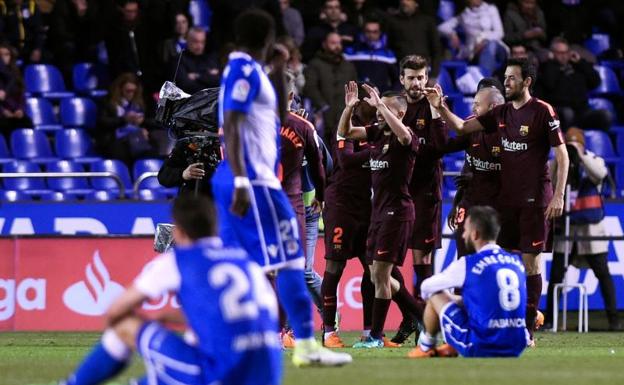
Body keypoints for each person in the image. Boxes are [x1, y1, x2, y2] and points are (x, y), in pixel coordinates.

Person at [211, 9, 351, 367]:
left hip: (250, 178)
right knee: (289, 260)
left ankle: (227, 342)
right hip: (253, 180)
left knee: (248, 264)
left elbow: (274, 110)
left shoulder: (251, 70)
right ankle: (303, 346)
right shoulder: (241, 70)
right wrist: (243, 180)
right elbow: (232, 121)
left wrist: (277, 69)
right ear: (267, 37)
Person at [60, 195, 283, 385]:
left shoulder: (180, 259)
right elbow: (253, 316)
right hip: (268, 374)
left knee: (125, 325)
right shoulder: (246, 263)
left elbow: (115, 309)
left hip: (220, 375)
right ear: (215, 226)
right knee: (192, 343)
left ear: (178, 231)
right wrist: (169, 317)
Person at [424, 57, 569, 347]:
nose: (507, 81)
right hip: (506, 202)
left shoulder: (542, 111)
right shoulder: (501, 113)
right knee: (494, 262)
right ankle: (493, 320)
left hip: (533, 200)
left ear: (527, 82)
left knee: (531, 264)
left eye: (513, 78)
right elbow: (463, 129)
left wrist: (558, 195)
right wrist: (440, 107)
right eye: (506, 77)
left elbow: (562, 156)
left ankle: (526, 330)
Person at [338, 81, 424, 348]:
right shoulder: (377, 132)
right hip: (378, 214)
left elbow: (406, 137)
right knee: (377, 276)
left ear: (398, 113)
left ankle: (374, 337)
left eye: (383, 108)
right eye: (376, 108)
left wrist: (381, 106)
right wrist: (349, 108)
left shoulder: (406, 136)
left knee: (383, 277)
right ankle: (422, 315)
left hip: (397, 213)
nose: (376, 112)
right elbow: (345, 132)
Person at [408, 206, 529, 358]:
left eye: (465, 230)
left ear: (475, 234)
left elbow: (426, 287)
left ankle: (425, 348)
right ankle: (452, 346)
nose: (463, 235)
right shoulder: (516, 262)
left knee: (436, 295)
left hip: (482, 345)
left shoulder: (469, 263)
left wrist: (453, 300)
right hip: (517, 344)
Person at [392, 55, 447, 345]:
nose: (417, 83)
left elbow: (440, 147)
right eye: (411, 77)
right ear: (402, 79)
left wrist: (438, 112)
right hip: (396, 193)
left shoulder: (434, 107)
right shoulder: (394, 108)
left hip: (426, 193)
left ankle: (425, 321)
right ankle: (412, 314)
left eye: (421, 77)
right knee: (382, 262)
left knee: (421, 259)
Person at [546, 127, 621, 331]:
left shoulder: (593, 159)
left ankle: (613, 321)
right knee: (555, 278)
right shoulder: (560, 164)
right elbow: (549, 179)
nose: (571, 148)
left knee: (603, 275)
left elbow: (600, 174)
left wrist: (580, 154)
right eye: (567, 144)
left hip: (591, 233)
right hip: (567, 232)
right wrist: (562, 157)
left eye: (574, 143)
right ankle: (550, 320)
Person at [321, 82, 374, 348]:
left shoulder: (377, 131)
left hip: (366, 207)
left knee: (373, 269)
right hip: (341, 206)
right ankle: (329, 332)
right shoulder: (346, 129)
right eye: (367, 100)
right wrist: (379, 151)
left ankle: (369, 333)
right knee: (335, 266)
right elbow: (346, 161)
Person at [279, 72, 326, 319]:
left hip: (300, 208)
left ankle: (327, 319)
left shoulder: (304, 127)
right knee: (278, 269)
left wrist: (321, 195)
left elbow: (323, 166)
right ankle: (282, 329)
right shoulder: (255, 122)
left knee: (296, 270)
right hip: (274, 205)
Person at [445, 84, 505, 258]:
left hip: (496, 206)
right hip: (470, 202)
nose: (473, 108)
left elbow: (513, 172)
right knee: (464, 256)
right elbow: (465, 167)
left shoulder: (508, 130)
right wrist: (456, 204)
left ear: (493, 106)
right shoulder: (471, 126)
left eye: (478, 103)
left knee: (492, 257)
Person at [96, 72, 168, 166]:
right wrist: (124, 120)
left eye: (134, 91)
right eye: (128, 91)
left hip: (139, 139)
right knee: (123, 151)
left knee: (154, 150)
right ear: (120, 89)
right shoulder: (108, 102)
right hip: (116, 140)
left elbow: (156, 122)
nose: (131, 94)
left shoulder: (141, 102)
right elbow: (102, 123)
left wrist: (143, 122)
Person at [537, 37, 607, 131]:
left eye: (566, 52)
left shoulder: (577, 67)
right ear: (552, 54)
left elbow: (595, 81)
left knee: (605, 116)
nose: (564, 56)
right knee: (567, 113)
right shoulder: (546, 69)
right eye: (560, 53)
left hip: (582, 112)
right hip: (560, 113)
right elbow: (549, 84)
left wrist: (580, 62)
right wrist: (551, 63)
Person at [303, 31, 357, 148]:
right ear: (324, 44)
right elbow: (310, 88)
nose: (337, 46)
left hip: (344, 116)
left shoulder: (348, 66)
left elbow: (355, 88)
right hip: (322, 117)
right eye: (333, 43)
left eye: (339, 43)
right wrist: (323, 106)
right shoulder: (315, 64)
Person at [438, 0, 508, 76]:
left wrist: (484, 40)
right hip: (475, 52)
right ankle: (486, 80)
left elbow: (500, 33)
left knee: (491, 45)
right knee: (488, 56)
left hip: (497, 49)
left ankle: (484, 80)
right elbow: (441, 28)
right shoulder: (464, 15)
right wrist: (452, 34)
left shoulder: (491, 9)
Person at [385, 0, 442, 81]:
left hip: (424, 72)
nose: (404, 2)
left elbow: (436, 50)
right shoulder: (392, 22)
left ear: (416, 3)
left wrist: (433, 75)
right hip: (401, 74)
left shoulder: (427, 21)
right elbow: (389, 48)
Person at [344, 17, 399, 93]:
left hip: (380, 98)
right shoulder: (351, 52)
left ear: (380, 33)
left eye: (375, 32)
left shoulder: (388, 54)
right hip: (357, 96)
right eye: (368, 31)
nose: (371, 35)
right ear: (363, 32)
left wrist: (390, 95)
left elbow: (397, 79)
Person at [173, 27, 221, 94]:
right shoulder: (179, 59)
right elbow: (185, 85)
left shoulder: (211, 59)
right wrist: (208, 75)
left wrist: (197, 76)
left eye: (202, 42)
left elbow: (219, 81)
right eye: (196, 41)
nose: (199, 46)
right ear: (188, 40)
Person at [0, 42, 32, 139]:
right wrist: (3, 111)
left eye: (6, 54)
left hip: (15, 113)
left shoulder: (15, 75)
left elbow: (21, 96)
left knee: (26, 122)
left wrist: (20, 110)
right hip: (2, 114)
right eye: (0, 55)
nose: (3, 58)